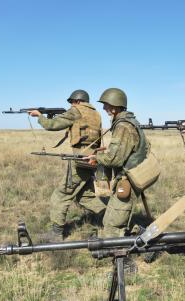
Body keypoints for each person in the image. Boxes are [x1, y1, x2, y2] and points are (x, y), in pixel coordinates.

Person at [29, 89, 105, 241]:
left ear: (76, 101)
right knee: (85, 197)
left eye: (72, 102)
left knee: (60, 195)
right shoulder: (95, 114)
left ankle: (56, 234)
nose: (71, 105)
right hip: (91, 158)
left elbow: (52, 125)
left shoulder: (76, 111)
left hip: (80, 159)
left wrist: (40, 116)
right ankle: (112, 218)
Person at [86, 88, 149, 237]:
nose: (104, 108)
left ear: (115, 106)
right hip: (129, 176)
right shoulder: (127, 122)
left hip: (129, 179)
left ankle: (123, 255)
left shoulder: (123, 126)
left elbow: (115, 159)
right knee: (112, 217)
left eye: (106, 105)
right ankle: (140, 233)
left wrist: (96, 158)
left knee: (112, 224)